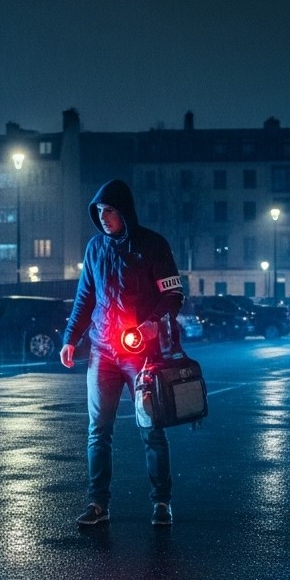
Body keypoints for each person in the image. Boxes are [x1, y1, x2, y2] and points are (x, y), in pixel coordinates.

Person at [60, 179, 184, 526]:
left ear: (124, 211)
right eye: (99, 212)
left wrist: (152, 323)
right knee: (98, 430)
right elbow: (85, 296)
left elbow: (173, 295)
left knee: (151, 427)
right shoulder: (95, 248)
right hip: (102, 351)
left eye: (110, 211)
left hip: (140, 352)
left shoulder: (152, 245)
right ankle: (97, 505)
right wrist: (71, 338)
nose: (103, 218)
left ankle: (162, 502)